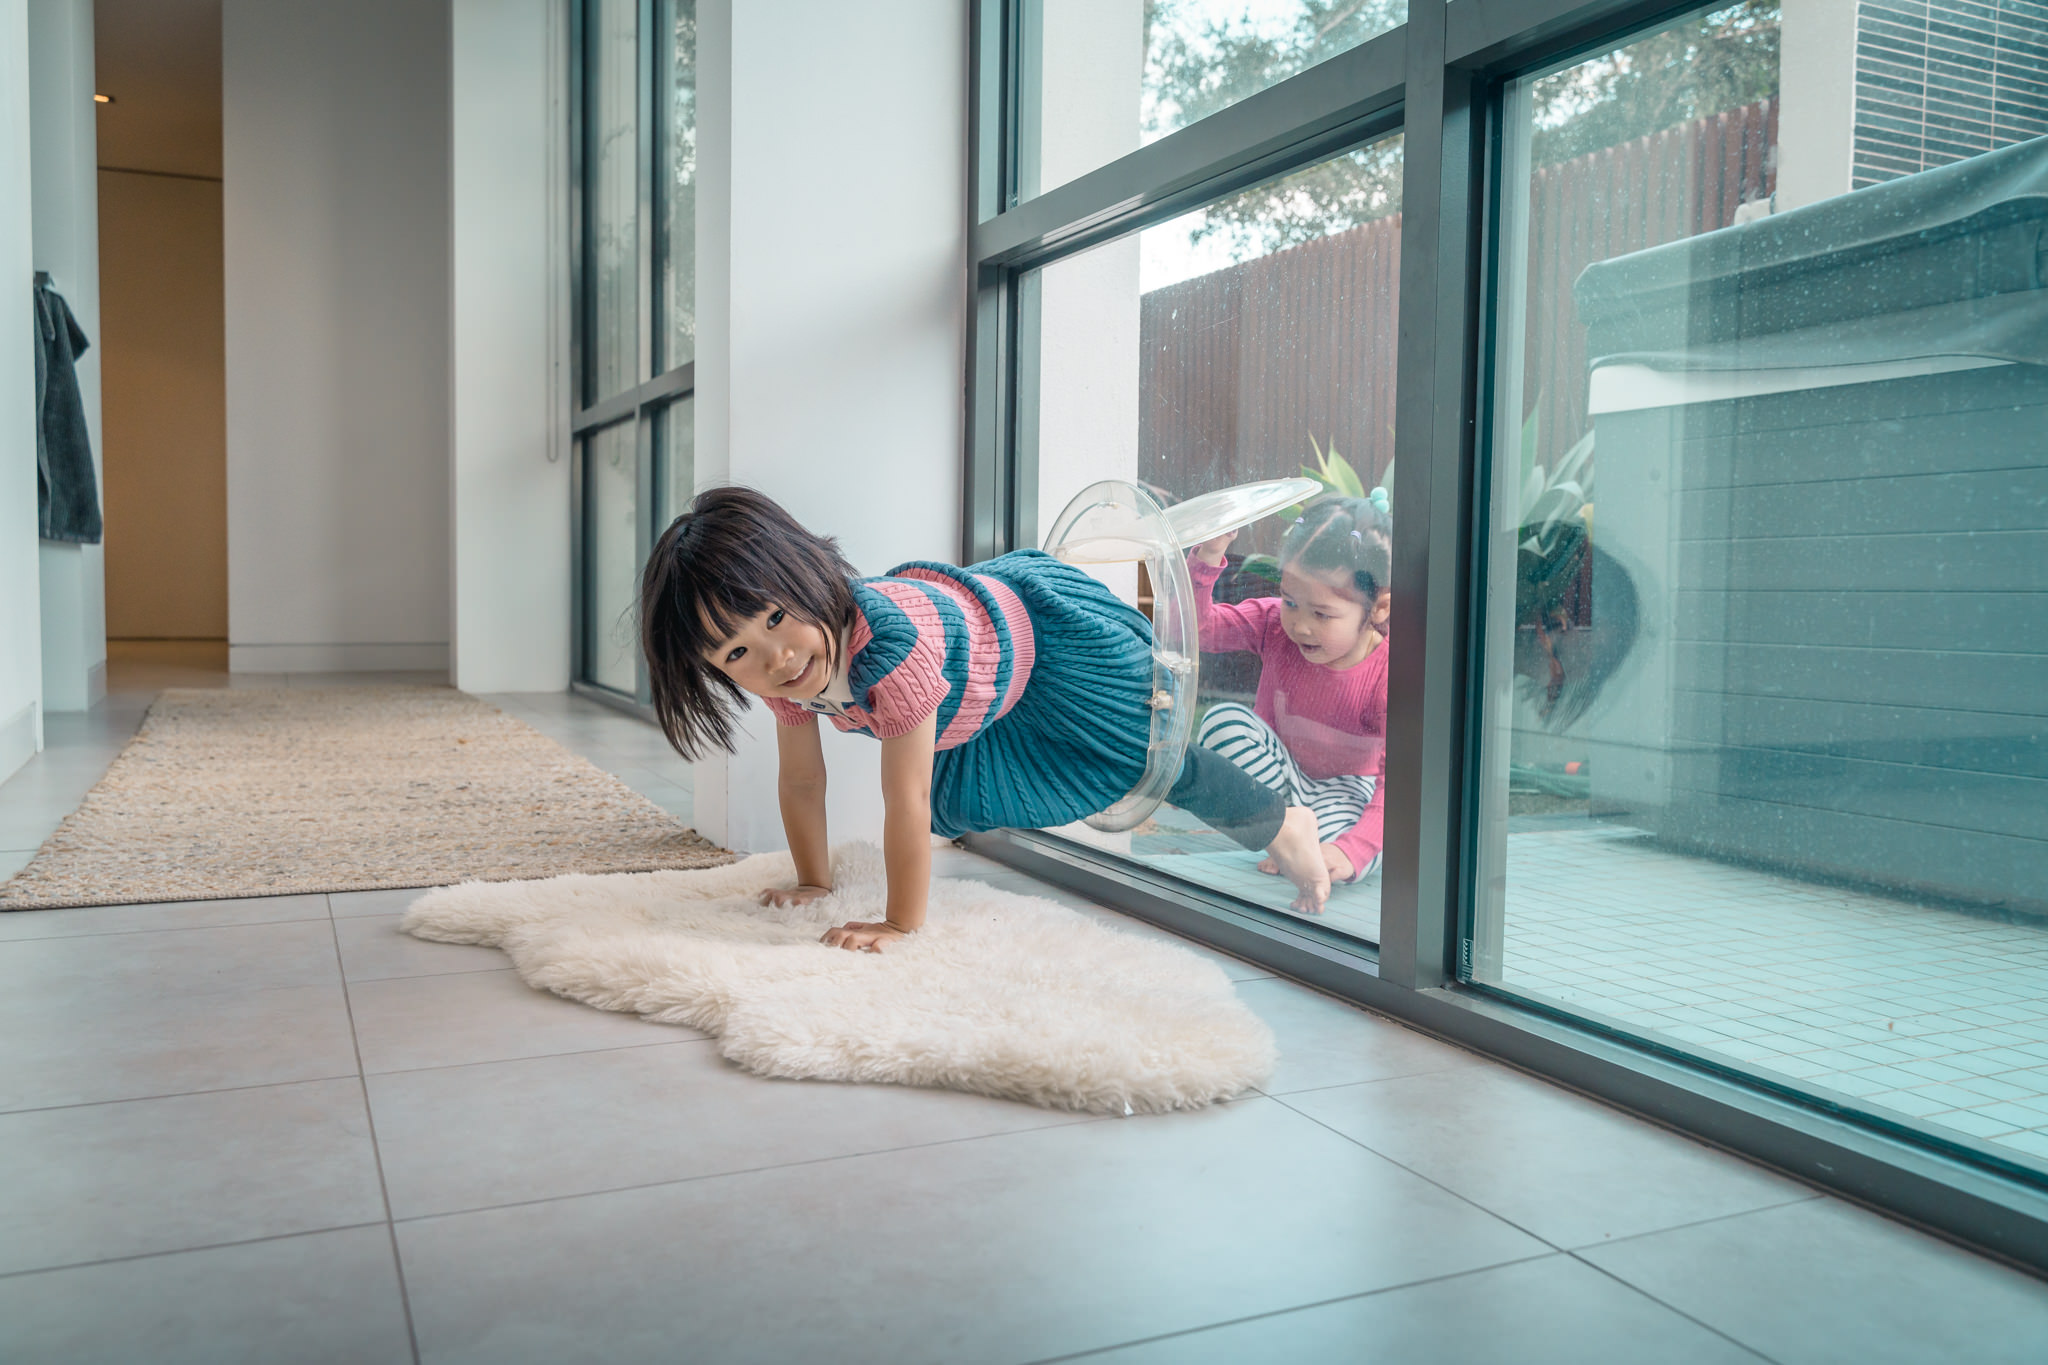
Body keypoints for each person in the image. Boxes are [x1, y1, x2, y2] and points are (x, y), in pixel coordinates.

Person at [638, 487, 1332, 954]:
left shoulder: (890, 649)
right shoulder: (786, 673)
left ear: (806, 575)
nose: (777, 657)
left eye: (775, 618)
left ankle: (1284, 822)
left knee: (1145, 762)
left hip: (1050, 647)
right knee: (959, 802)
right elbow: (800, 782)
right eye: (736, 653)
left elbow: (903, 798)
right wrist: (813, 883)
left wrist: (899, 924)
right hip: (973, 694)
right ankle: (1275, 820)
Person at [1188, 496, 1391, 890]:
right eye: (1291, 602)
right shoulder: (1273, 625)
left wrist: (1351, 851)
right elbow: (1200, 630)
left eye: (1322, 614)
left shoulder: (1387, 674)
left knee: (1357, 851)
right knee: (1222, 723)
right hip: (1278, 779)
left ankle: (1306, 847)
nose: (1300, 625)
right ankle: (1283, 835)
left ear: (1379, 609)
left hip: (1345, 793)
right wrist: (1208, 557)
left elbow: (1397, 784)